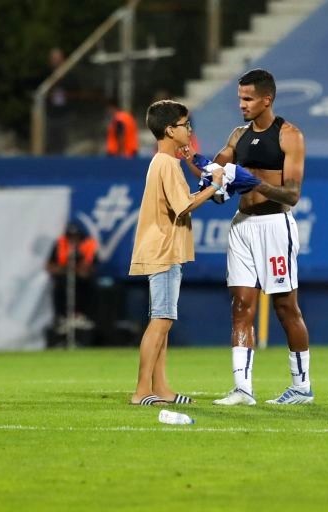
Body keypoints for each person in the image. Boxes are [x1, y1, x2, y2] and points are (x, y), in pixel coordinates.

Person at [184, 69, 314, 405]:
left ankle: (301, 386)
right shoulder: (238, 135)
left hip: (275, 225)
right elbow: (214, 172)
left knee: (286, 307)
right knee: (241, 306)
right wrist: (192, 160)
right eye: (240, 98)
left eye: (248, 98)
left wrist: (254, 183)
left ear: (266, 99)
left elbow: (292, 195)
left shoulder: (289, 136)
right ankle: (243, 389)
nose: (241, 104)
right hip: (242, 225)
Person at [129, 100, 224, 406]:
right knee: (161, 319)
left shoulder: (166, 162)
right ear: (170, 130)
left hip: (164, 249)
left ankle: (162, 388)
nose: (189, 130)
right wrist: (215, 187)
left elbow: (179, 201)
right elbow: (185, 206)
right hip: (164, 250)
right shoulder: (167, 164)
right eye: (184, 125)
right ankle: (142, 390)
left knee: (164, 320)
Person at [46, 221, 99, 336]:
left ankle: (81, 316)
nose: (73, 240)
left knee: (89, 285)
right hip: (63, 280)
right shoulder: (60, 245)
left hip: (83, 283)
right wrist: (67, 268)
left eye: (76, 237)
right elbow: (49, 266)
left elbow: (89, 270)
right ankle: (62, 317)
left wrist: (78, 265)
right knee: (60, 285)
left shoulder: (88, 246)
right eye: (71, 237)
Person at [45, 47, 78, 155]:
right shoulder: (47, 75)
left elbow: (75, 90)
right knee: (50, 143)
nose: (56, 61)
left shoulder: (69, 75)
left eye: (58, 58)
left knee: (64, 142)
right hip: (50, 114)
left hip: (65, 115)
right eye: (54, 59)